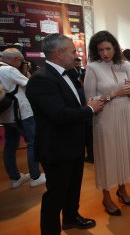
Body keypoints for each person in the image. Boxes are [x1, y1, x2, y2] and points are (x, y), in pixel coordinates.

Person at [26, 33, 104, 234]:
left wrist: (86, 107)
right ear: (59, 53)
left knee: (73, 188)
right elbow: (58, 114)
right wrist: (90, 109)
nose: (75, 55)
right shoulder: (41, 79)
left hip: (73, 145)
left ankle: (70, 218)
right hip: (57, 148)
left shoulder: (69, 73)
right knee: (55, 195)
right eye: (72, 51)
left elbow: (71, 105)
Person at [84, 31, 130, 216]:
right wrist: (114, 94)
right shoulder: (92, 68)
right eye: (100, 49)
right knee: (107, 156)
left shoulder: (124, 65)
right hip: (105, 118)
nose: (104, 53)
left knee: (122, 153)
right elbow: (90, 100)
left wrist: (129, 92)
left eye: (108, 48)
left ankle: (122, 189)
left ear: (115, 48)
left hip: (125, 114)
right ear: (96, 51)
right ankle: (106, 196)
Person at [0, 48, 46, 189]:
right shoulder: (9, 70)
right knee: (32, 142)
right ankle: (35, 176)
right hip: (22, 114)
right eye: (21, 62)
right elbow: (31, 84)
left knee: (10, 145)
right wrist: (26, 71)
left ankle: (15, 178)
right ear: (16, 60)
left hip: (6, 115)